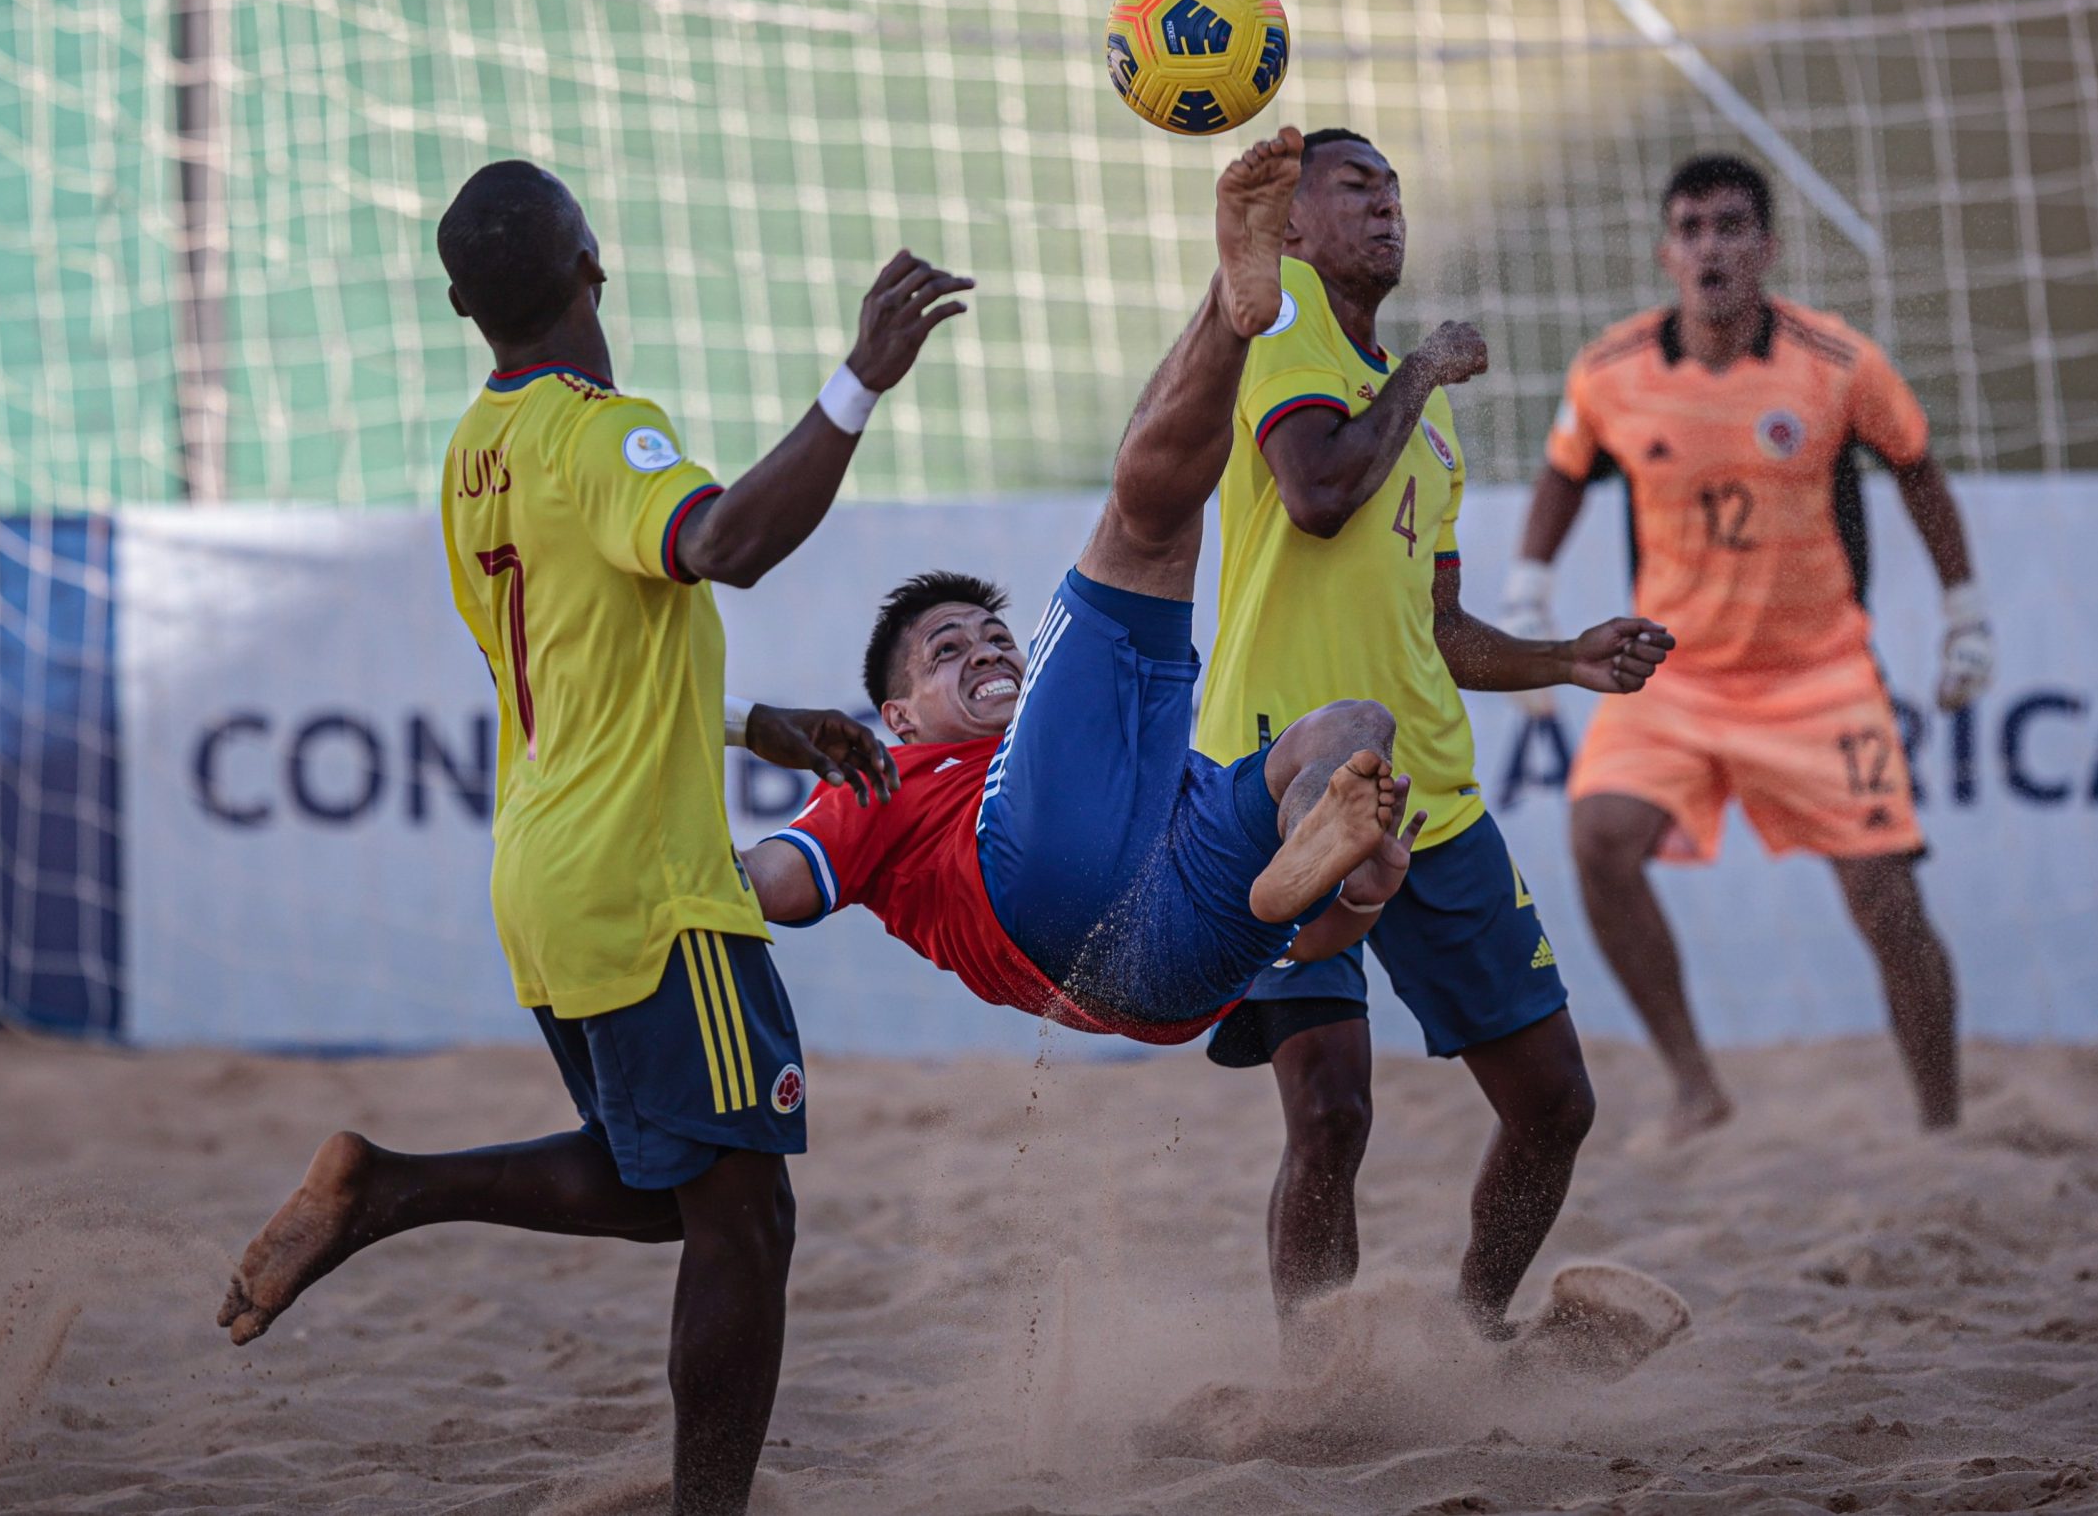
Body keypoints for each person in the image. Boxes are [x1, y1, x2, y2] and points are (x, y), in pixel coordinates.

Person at [215, 159, 965, 1516]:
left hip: (548, 877)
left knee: (663, 1179)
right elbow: (727, 540)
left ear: (461, 302)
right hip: (652, 888)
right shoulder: (602, 429)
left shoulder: (473, 450)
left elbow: (586, 657)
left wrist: (749, 722)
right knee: (747, 1217)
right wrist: (858, 379)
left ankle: (388, 1187)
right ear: (592, 267)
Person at [737, 128, 1442, 1050]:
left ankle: (1321, 843)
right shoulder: (885, 779)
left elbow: (1300, 940)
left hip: (1181, 971)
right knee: (1148, 528)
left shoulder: (1105, 754)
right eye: (946, 651)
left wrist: (1359, 900)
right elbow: (771, 887)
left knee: (1356, 726)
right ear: (897, 718)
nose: (987, 648)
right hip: (1039, 893)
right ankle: (1233, 307)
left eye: (992, 636)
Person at [1190, 128, 1675, 1343]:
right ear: (1291, 226)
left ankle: (1465, 1336)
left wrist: (1561, 658)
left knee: (1556, 1104)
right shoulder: (1281, 317)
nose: (1387, 208)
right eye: (1355, 188)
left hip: (1432, 801)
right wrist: (1420, 371)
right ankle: (1315, 1380)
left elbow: (1440, 623)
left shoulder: (1431, 431)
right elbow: (1315, 495)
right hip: (1283, 789)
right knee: (1332, 1115)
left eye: (1396, 190)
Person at [1502, 152, 1993, 1141]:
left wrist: (1964, 612)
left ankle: (1943, 1125)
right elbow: (1563, 474)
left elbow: (1918, 471)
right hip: (1671, 677)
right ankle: (1693, 1084)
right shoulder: (1610, 372)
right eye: (1691, 229)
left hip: (1816, 674)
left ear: (1766, 248)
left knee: (1885, 901)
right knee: (1597, 840)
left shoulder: (1835, 362)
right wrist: (1526, 594)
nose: (1710, 247)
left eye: (1730, 227)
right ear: (1665, 251)